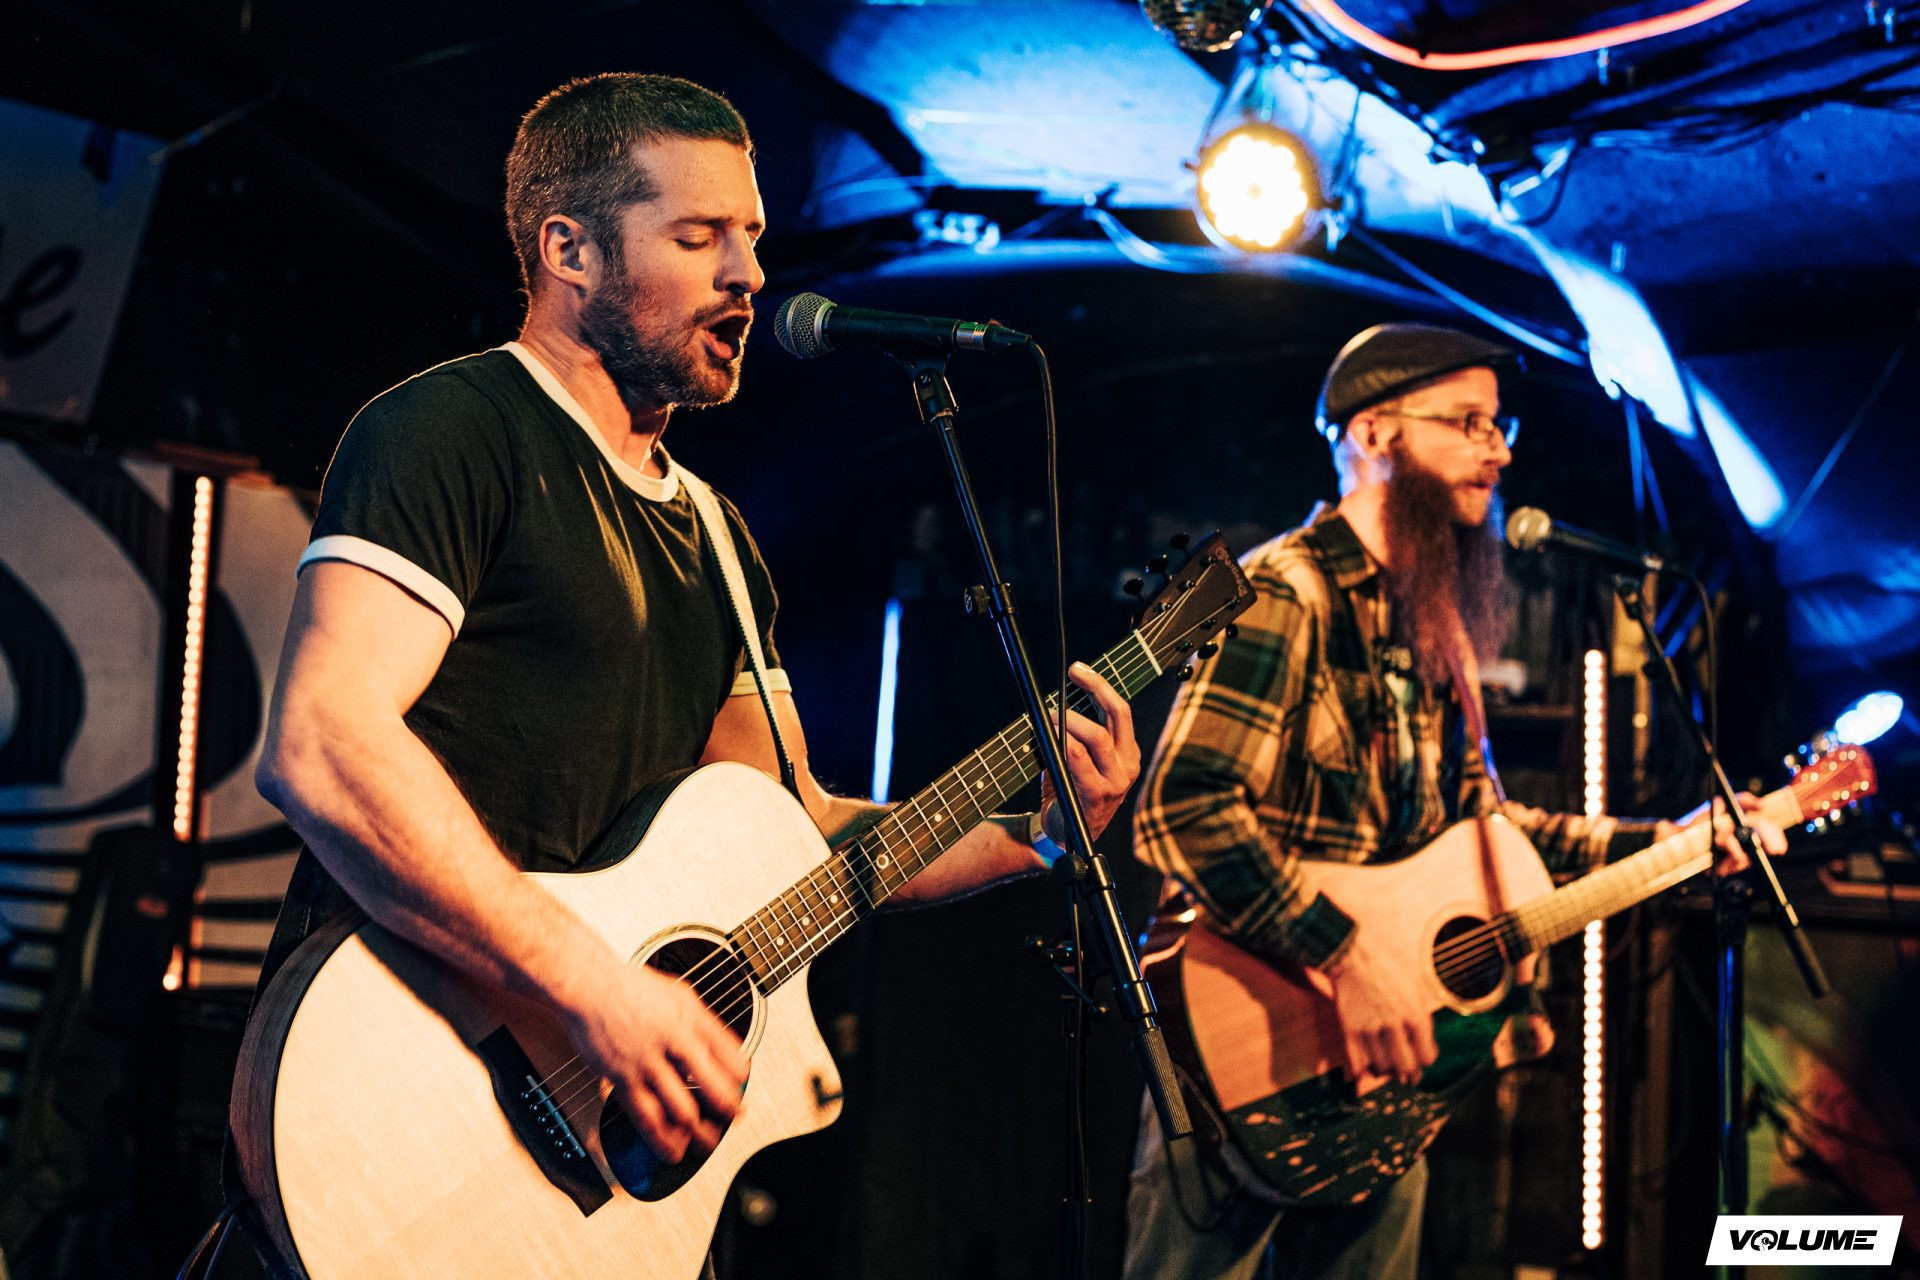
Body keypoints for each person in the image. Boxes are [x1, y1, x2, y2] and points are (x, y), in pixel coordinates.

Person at [251, 71, 1139, 1189]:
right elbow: (323, 743)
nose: (749, 275)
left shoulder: (718, 535)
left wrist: (1038, 836)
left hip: (592, 1157)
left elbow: (799, 834)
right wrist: (598, 987)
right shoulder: (452, 431)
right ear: (570, 251)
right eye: (698, 235)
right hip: (398, 1094)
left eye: (752, 236)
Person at [1120, 323, 1785, 1280]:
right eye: (1468, 423)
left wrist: (1677, 841)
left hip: (1386, 1081)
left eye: (1499, 425)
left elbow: (1491, 837)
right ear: (1374, 433)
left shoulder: (1433, 623)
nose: (1499, 451)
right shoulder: (1283, 592)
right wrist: (1348, 958)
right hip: (1244, 1061)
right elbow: (1181, 809)